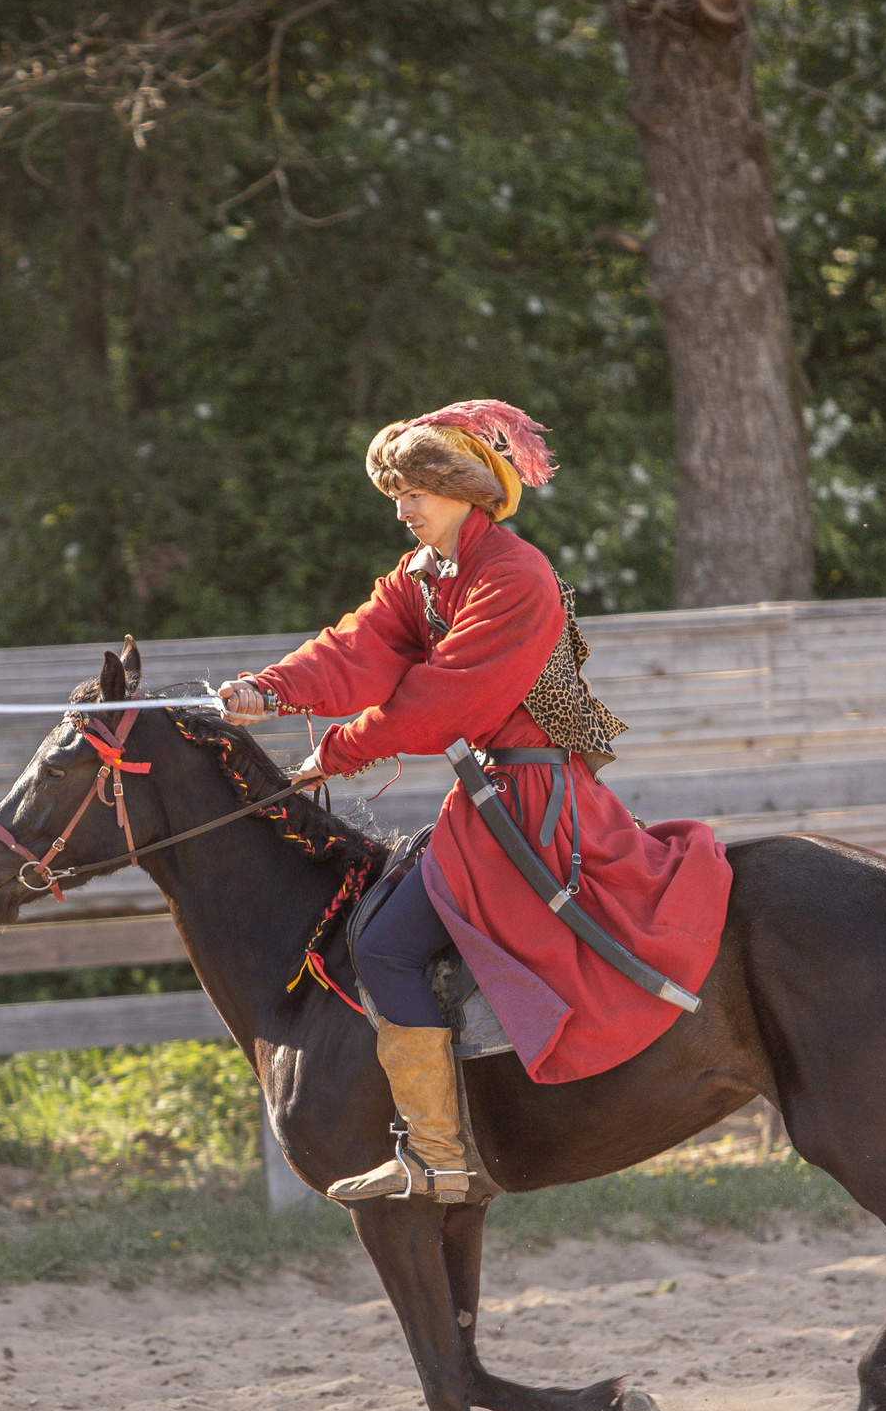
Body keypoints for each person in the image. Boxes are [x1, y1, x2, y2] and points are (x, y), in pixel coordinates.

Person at [219, 400, 732, 1204]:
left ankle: (438, 1152)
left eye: (415, 490)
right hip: (489, 796)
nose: (402, 507)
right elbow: (358, 646)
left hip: (530, 801)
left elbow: (441, 700)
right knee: (390, 926)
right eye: (396, 492)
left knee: (385, 944)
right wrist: (268, 689)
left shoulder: (515, 577)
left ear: (465, 491)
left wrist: (336, 750)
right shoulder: (424, 576)